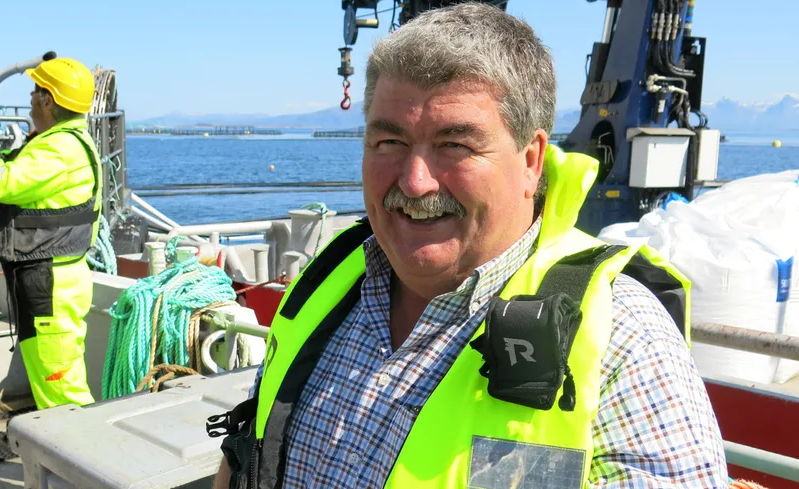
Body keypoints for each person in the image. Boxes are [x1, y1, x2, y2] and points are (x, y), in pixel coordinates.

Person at [210, 3, 727, 488]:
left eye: (455, 145)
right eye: (389, 142)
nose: (414, 183)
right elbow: (248, 450)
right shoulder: (327, 280)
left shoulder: (625, 340)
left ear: (531, 162)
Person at [0, 57, 101, 410]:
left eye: (36, 92)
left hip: (50, 284)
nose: (32, 99)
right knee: (52, 384)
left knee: (63, 394)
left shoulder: (58, 149)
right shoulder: (60, 142)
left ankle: (78, 459)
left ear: (47, 100)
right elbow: (12, 169)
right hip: (49, 279)